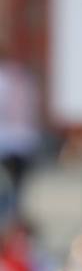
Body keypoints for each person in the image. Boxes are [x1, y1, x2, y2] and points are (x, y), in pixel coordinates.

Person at [0, 52, 40, 222]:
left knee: (13, 186)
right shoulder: (25, 79)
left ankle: (11, 217)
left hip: (8, 141)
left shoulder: (6, 79)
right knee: (16, 186)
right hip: (24, 141)